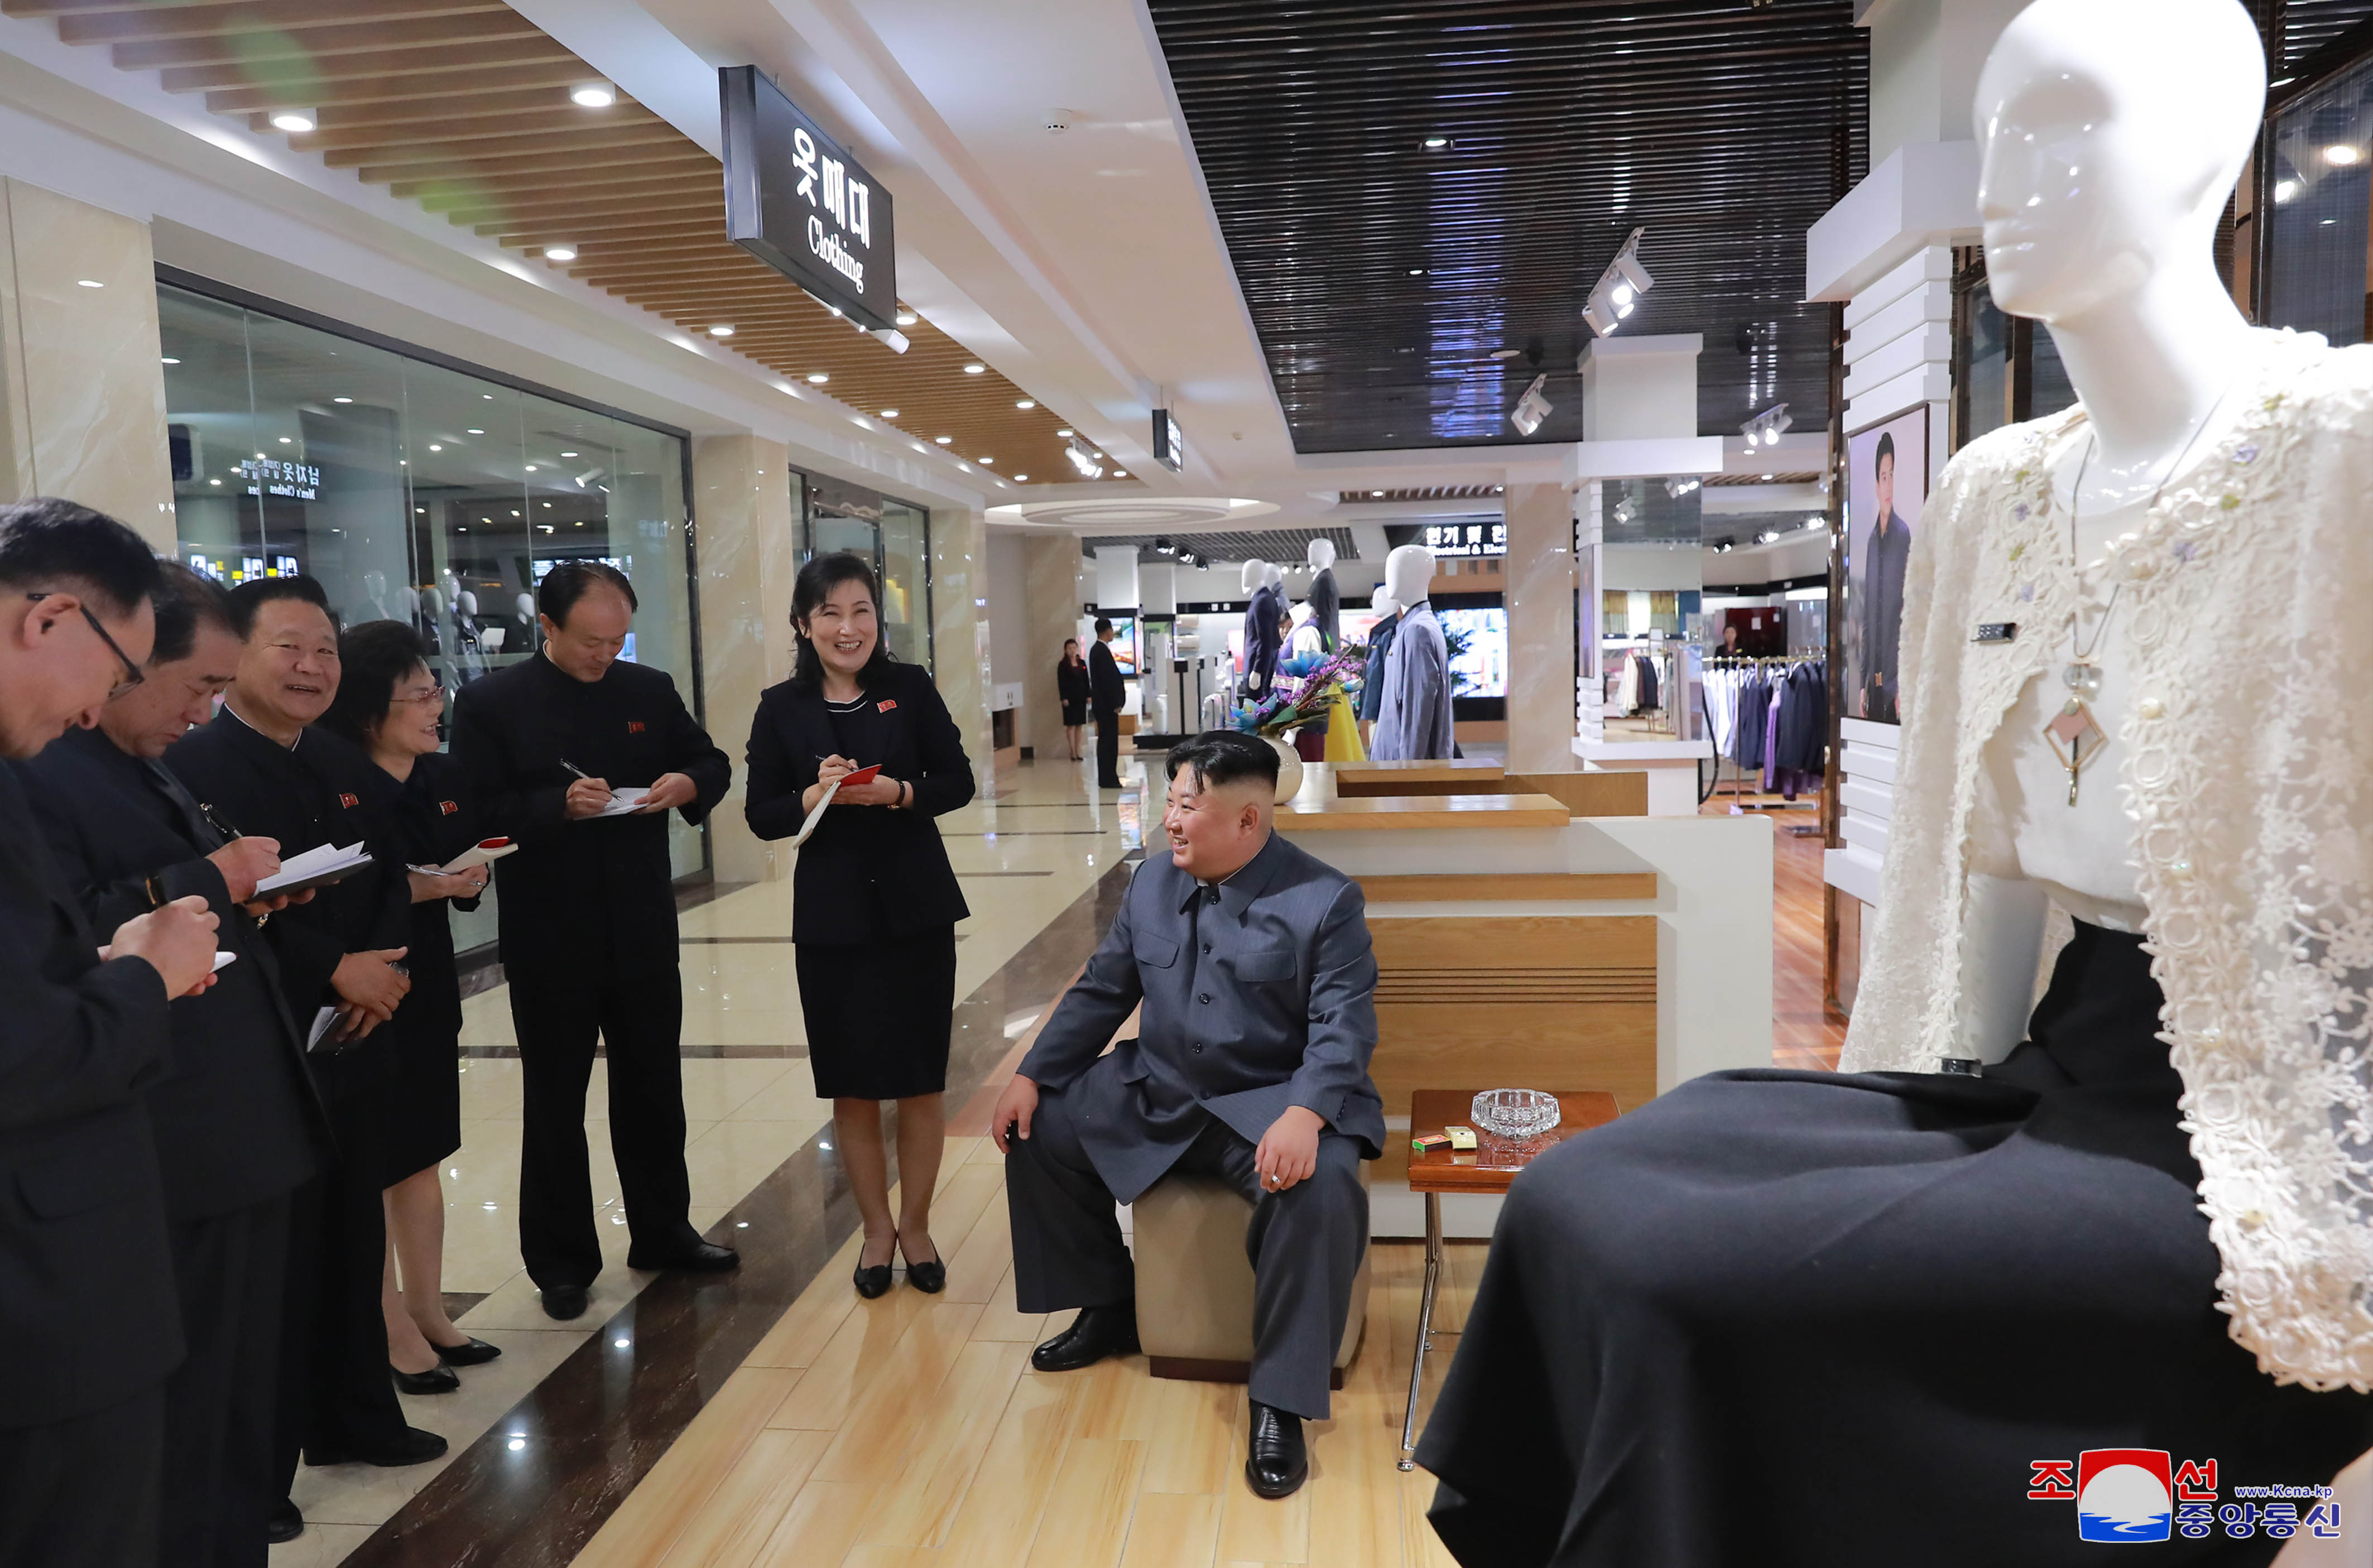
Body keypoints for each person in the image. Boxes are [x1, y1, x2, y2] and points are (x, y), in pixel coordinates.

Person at [16, 561, 330, 1568]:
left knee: (238, 1401)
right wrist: (203, 884)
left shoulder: (142, 760)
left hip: (238, 1128)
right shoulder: (44, 770)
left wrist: (237, 894)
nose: (204, 711)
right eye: (196, 685)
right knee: (185, 1426)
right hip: (171, 1142)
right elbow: (65, 947)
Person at [992, 730, 1382, 1502]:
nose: (1170, 819)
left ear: (1248, 819)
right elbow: (1103, 989)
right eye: (1170, 800)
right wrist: (1032, 1073)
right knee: (1036, 1130)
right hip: (1161, 1088)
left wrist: (1305, 1112)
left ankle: (1281, 1398)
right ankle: (1109, 1303)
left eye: (1188, 806)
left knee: (1323, 1187)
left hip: (1267, 1104)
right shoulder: (1150, 884)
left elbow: (1343, 1027)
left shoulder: (1325, 899)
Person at [166, 575, 444, 1524]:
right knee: (274, 1268)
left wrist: (383, 971)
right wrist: (334, 970)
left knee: (351, 1236)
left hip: (357, 1033)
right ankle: (262, 1476)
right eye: (287, 646)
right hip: (267, 1039)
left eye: (325, 648)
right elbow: (213, 910)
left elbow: (389, 874)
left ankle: (356, 1416)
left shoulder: (338, 758)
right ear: (235, 655)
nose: (311, 666)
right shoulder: (196, 766)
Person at [0, 499, 221, 1568]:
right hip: (44, 1302)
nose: (100, 709)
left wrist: (91, 968)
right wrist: (145, 974)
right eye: (118, 672)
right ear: (48, 621)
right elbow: (23, 1057)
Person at [449, 561, 734, 1322]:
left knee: (653, 1089)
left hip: (642, 924)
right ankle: (561, 1260)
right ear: (546, 626)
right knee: (555, 1101)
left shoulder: (648, 689)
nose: (605, 655)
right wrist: (555, 804)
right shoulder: (491, 703)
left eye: (617, 640)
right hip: (550, 932)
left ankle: (664, 1231)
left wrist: (687, 784)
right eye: (589, 642)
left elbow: (710, 760)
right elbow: (473, 808)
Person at [744, 552, 976, 1298]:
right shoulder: (781, 708)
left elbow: (958, 779)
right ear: (802, 624)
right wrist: (812, 795)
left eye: (862, 611)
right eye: (831, 614)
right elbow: (761, 813)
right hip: (832, 917)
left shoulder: (909, 687)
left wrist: (898, 792)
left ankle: (917, 1225)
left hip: (915, 908)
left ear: (878, 617)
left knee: (919, 1080)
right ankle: (876, 1230)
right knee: (852, 1084)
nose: (849, 628)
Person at [321, 621, 502, 1393]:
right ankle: (386, 1321)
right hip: (364, 986)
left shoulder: (442, 774)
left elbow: (459, 857)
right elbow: (345, 888)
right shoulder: (336, 782)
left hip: (426, 975)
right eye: (420, 695)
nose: (437, 706)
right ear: (370, 711)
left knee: (422, 1148)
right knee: (372, 1156)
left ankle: (428, 1308)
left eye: (436, 690)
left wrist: (466, 879)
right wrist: (423, 886)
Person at [1856, 429, 1912, 723]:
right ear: (1877, 485)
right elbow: (1868, 617)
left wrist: (1902, 683)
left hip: (1894, 687)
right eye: (1883, 477)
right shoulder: (1871, 541)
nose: (1888, 484)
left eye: (1892, 475)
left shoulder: (1902, 536)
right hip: (1874, 685)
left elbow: (1905, 614)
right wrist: (1863, 682)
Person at [1088, 617, 1126, 790]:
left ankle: (1109, 776)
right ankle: (1108, 778)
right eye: (1111, 630)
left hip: (1104, 705)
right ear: (1106, 631)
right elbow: (1107, 681)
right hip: (1106, 706)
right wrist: (1115, 702)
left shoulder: (1099, 650)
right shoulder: (1100, 651)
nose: (1113, 633)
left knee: (1108, 741)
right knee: (1108, 742)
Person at [1056, 638, 1089, 762]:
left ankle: (1078, 749)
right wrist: (1063, 697)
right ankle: (1072, 751)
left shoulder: (1082, 663)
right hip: (1069, 699)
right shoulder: (1063, 665)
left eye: (1074, 648)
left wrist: (1089, 695)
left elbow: (1086, 680)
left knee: (1080, 725)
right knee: (1071, 725)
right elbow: (1061, 682)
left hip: (1081, 697)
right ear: (1065, 650)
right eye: (1070, 648)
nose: (1072, 650)